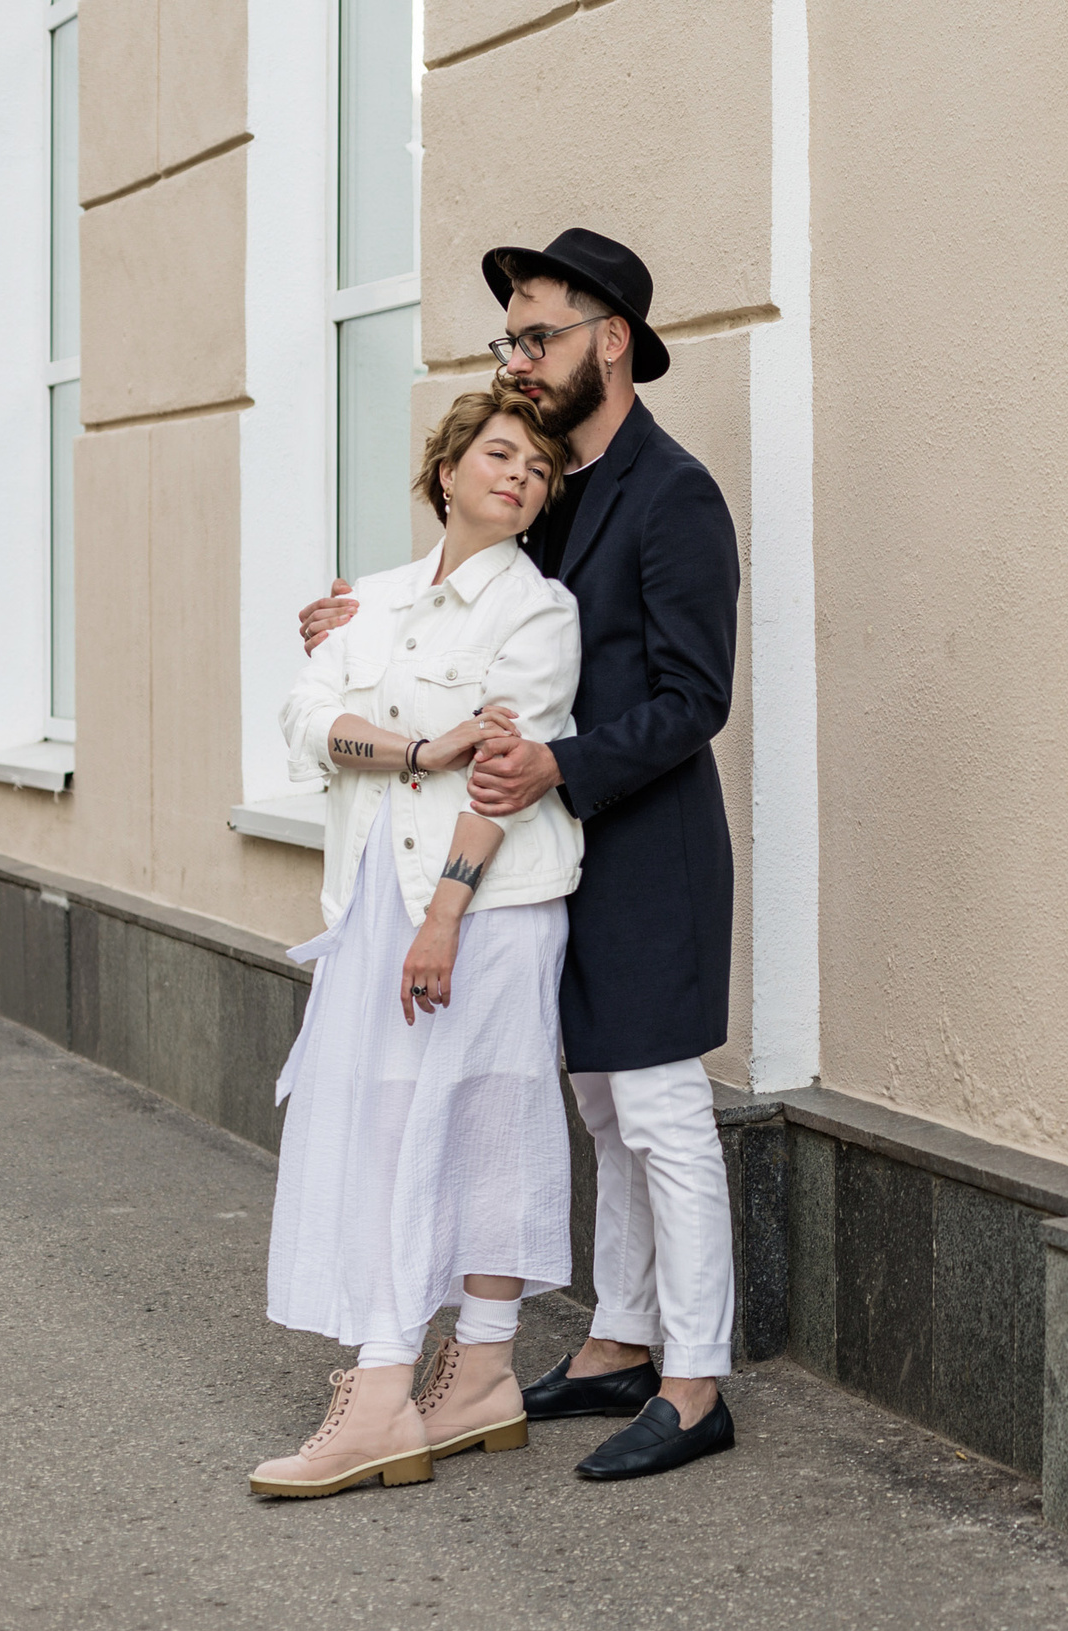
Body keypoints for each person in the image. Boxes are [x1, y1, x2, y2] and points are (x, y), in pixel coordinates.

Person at [298, 229, 744, 1482]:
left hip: (648, 852)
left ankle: (696, 1381)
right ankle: (616, 1342)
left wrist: (563, 765)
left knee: (661, 1114)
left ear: (613, 341)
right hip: (552, 863)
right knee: (600, 1107)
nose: (521, 358)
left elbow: (695, 697)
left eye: (539, 333)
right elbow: (473, 623)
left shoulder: (675, 493)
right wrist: (354, 625)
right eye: (511, 339)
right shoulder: (551, 490)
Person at [256, 387, 583, 1498]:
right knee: (389, 1127)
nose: (517, 478)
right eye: (498, 456)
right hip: (374, 902)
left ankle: (416, 1381)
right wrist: (414, 750)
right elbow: (306, 721)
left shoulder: (538, 612)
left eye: (538, 472)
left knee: (488, 1119)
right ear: (446, 472)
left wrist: (444, 916)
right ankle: (449, 1377)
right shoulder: (372, 601)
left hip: (483, 908)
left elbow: (504, 772)